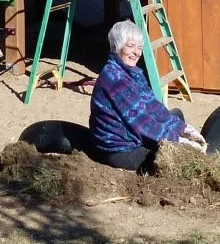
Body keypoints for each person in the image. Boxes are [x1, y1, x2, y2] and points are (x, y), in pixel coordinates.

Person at [88, 20, 206, 171]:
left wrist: (183, 128)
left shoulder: (132, 72)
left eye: (139, 48)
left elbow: (152, 105)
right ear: (116, 46)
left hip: (132, 134)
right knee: (176, 160)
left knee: (177, 116)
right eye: (130, 46)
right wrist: (179, 141)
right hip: (118, 148)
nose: (136, 53)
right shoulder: (115, 79)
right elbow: (141, 122)